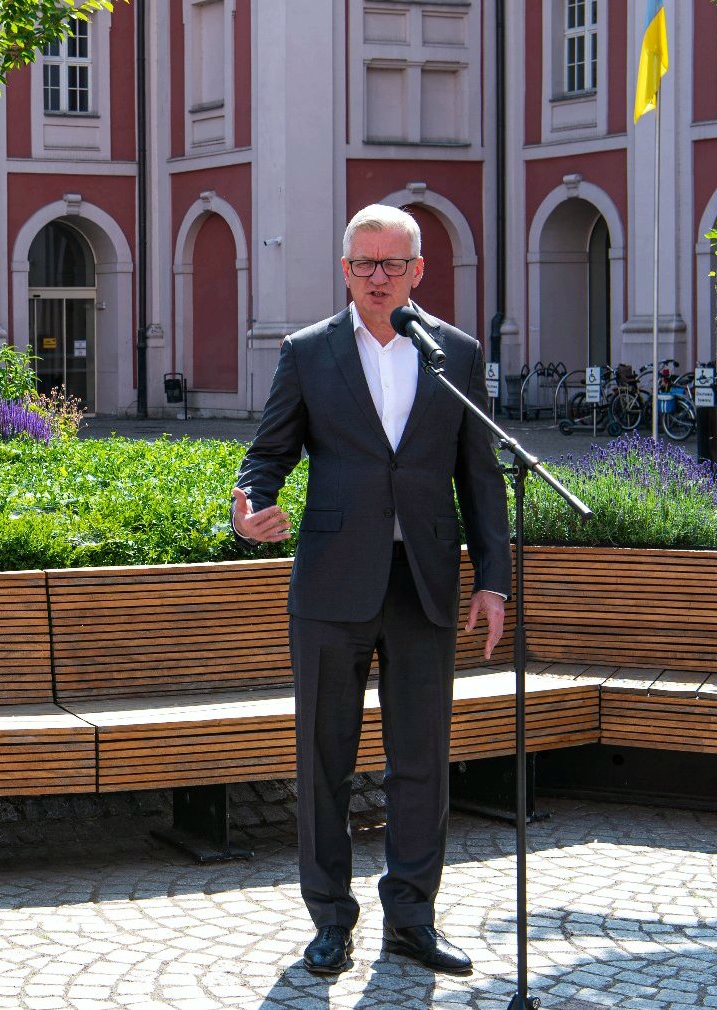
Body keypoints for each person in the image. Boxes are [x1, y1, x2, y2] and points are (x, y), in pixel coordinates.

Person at [231, 204, 510, 977]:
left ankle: (412, 919)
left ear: (419, 270)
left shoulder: (454, 352)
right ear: (345, 268)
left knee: (421, 760)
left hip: (422, 582)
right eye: (363, 264)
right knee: (325, 759)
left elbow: (481, 476)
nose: (377, 277)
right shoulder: (308, 352)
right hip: (330, 583)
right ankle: (330, 919)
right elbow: (268, 453)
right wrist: (248, 505)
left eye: (392, 264)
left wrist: (493, 581)